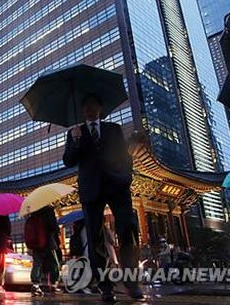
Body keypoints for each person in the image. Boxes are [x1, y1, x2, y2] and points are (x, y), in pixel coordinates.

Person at [63, 93, 143, 302]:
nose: (89, 109)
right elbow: (68, 161)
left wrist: (125, 177)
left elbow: (125, 156)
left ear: (99, 108)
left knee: (128, 229)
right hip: (91, 190)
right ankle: (105, 285)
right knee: (95, 237)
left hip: (118, 186)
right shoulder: (75, 133)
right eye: (85, 106)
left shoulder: (113, 129)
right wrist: (78, 141)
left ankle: (131, 281)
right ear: (82, 111)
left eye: (92, 104)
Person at [27, 206, 62, 297]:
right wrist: (57, 230)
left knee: (37, 263)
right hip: (48, 241)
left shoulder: (33, 212)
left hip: (37, 242)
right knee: (54, 263)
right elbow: (53, 226)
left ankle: (35, 285)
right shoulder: (48, 210)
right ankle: (53, 285)